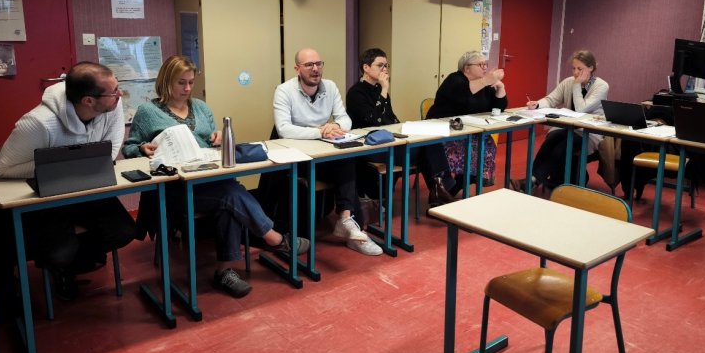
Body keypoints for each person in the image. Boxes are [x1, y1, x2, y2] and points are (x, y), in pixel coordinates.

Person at [123, 55, 309, 297]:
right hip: (175, 189)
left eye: (191, 82)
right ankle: (274, 240)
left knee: (229, 199)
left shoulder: (200, 107)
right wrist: (141, 148)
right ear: (166, 81)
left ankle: (226, 271)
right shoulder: (148, 111)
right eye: (181, 83)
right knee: (231, 196)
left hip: (211, 179)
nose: (187, 88)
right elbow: (130, 148)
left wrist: (218, 137)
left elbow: (212, 139)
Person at [0, 62, 136, 301]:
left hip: (87, 187)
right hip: (49, 193)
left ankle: (76, 263)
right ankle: (63, 266)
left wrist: (70, 162)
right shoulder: (39, 122)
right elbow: (2, 168)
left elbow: (109, 153)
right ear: (88, 100)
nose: (119, 94)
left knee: (125, 231)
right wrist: (57, 163)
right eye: (113, 91)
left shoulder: (111, 106)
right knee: (59, 252)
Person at [273, 48, 383, 256]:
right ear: (297, 69)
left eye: (318, 64)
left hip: (323, 153)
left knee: (347, 159)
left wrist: (336, 126)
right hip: (296, 159)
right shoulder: (284, 91)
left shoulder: (330, 87)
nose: (315, 69)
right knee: (345, 167)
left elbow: (345, 118)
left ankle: (346, 220)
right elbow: (283, 129)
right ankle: (352, 228)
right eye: (309, 65)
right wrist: (320, 131)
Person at [346, 48, 456, 207]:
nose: (385, 69)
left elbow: (390, 118)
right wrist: (384, 90)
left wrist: (405, 129)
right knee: (428, 148)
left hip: (390, 140)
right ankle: (441, 189)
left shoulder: (379, 89)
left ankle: (439, 190)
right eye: (380, 65)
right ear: (366, 68)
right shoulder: (356, 93)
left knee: (430, 142)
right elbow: (374, 120)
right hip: (371, 146)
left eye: (386, 66)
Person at [518, 50, 608, 195]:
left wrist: (577, 85)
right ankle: (532, 179)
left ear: (591, 68)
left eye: (580, 69)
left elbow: (581, 108)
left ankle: (533, 180)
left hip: (588, 133)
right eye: (574, 68)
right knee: (550, 140)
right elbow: (551, 99)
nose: (576, 72)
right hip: (567, 129)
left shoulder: (601, 86)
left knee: (562, 148)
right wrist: (537, 104)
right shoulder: (568, 82)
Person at [426, 51, 507, 190]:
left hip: (468, 130)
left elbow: (498, 108)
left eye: (486, 64)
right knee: (468, 147)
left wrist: (500, 87)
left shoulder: (484, 85)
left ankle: (459, 183)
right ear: (467, 68)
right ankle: (446, 187)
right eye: (481, 64)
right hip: (443, 131)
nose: (485, 68)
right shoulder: (455, 80)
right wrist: (486, 80)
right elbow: (464, 93)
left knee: (486, 142)